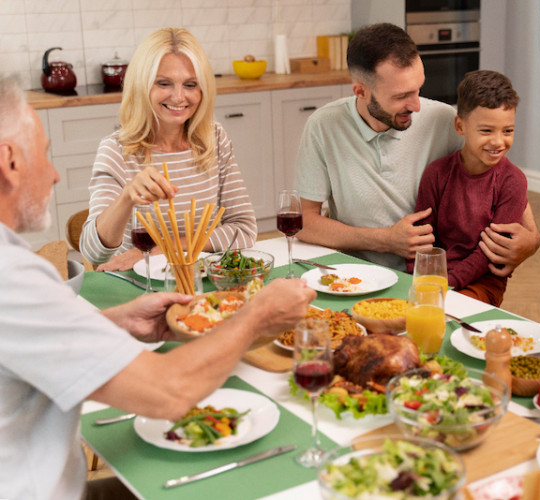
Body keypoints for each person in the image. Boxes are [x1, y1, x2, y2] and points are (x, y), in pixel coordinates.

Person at [0, 77, 315, 499]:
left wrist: (116, 320)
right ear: (9, 161)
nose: (56, 175)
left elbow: (26, 340)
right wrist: (255, 315)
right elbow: (169, 392)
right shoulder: (13, 278)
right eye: (44, 154)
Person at [294, 23, 540, 273]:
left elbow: (500, 175)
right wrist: (385, 240)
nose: (416, 105)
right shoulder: (323, 126)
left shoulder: (444, 120)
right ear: (361, 91)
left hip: (432, 272)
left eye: (418, 90)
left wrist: (532, 239)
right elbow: (305, 222)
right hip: (354, 273)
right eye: (401, 96)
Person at [80, 28, 257, 270]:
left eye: (190, 84)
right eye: (164, 83)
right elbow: (94, 252)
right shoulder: (116, 151)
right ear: (142, 86)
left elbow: (244, 229)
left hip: (202, 281)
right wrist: (127, 198)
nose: (178, 97)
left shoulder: (214, 140)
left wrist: (166, 247)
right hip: (139, 287)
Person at [405, 70, 527, 306]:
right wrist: (416, 280)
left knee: (444, 313)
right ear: (460, 126)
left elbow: (491, 252)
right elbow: (422, 237)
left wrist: (446, 284)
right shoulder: (437, 173)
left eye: (508, 131)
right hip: (435, 277)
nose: (498, 141)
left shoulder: (513, 181)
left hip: (483, 281)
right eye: (486, 130)